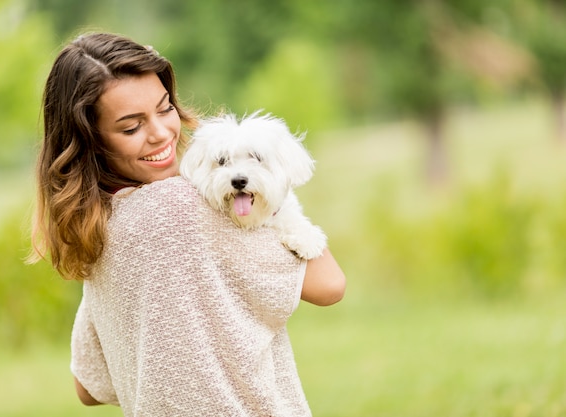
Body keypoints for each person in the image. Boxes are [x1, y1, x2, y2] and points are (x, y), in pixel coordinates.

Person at [30, 32, 345, 416]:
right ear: (91, 141)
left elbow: (88, 386)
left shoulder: (96, 230)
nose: (162, 133)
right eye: (131, 127)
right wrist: (277, 197)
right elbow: (329, 284)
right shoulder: (181, 206)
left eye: (165, 109)